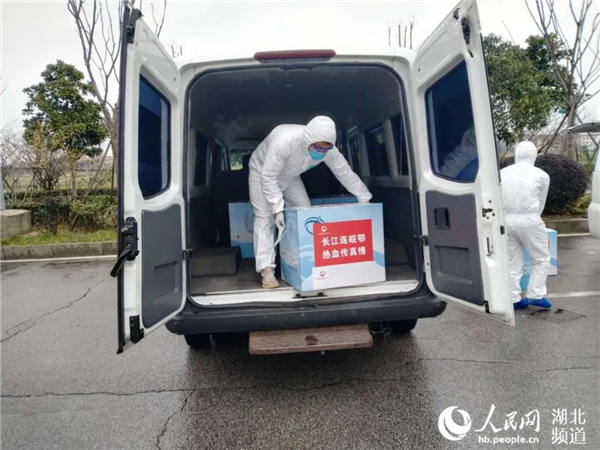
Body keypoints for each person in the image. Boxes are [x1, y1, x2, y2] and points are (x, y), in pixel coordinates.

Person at [249, 115, 372, 288]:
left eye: (325, 148)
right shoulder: (284, 141)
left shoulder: (329, 150)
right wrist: (277, 208)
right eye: (318, 147)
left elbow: (344, 173)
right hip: (262, 171)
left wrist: (364, 197)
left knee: (303, 210)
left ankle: (295, 260)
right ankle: (266, 270)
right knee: (264, 217)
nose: (321, 152)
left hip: (290, 175)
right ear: (308, 140)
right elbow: (268, 176)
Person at [500, 141, 552, 310]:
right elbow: (541, 202)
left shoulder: (502, 173)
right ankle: (535, 295)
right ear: (534, 155)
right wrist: (533, 216)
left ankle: (513, 298)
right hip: (530, 218)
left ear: (516, 155)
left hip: (506, 219)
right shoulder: (542, 175)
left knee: (512, 261)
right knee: (541, 258)